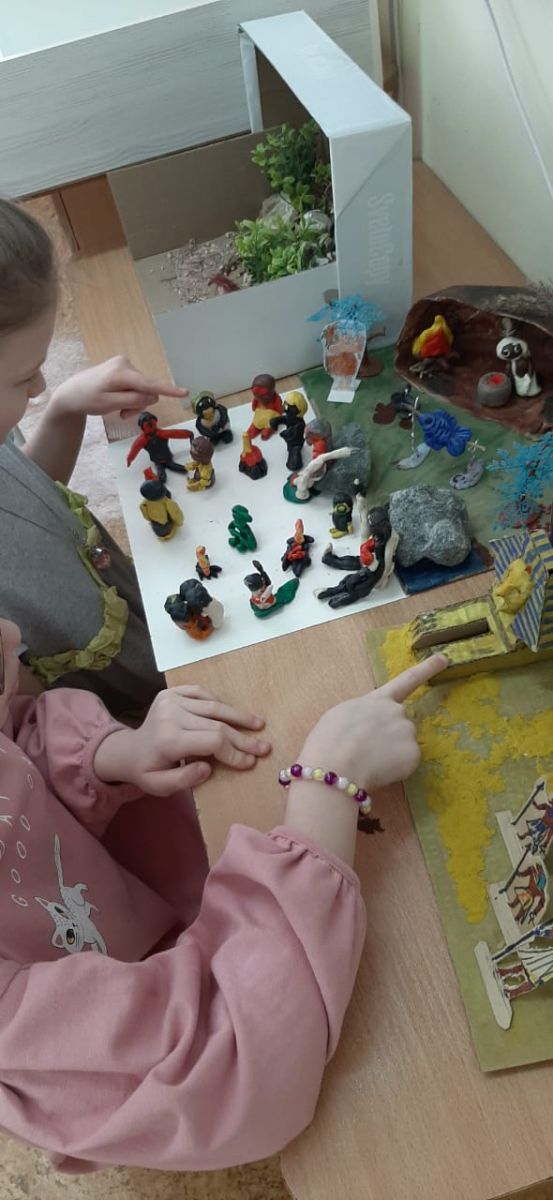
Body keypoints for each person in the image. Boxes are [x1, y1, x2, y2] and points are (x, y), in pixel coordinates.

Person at [0, 613, 446, 1172]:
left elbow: (14, 747)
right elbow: (234, 1076)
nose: (14, 633)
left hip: (186, 889)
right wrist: (329, 783)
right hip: (201, 1033)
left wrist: (105, 756)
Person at [0, 197, 189, 715]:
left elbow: (27, 492)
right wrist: (127, 744)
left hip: (127, 603)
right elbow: (32, 729)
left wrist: (65, 409)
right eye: (25, 377)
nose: (40, 386)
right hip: (105, 710)